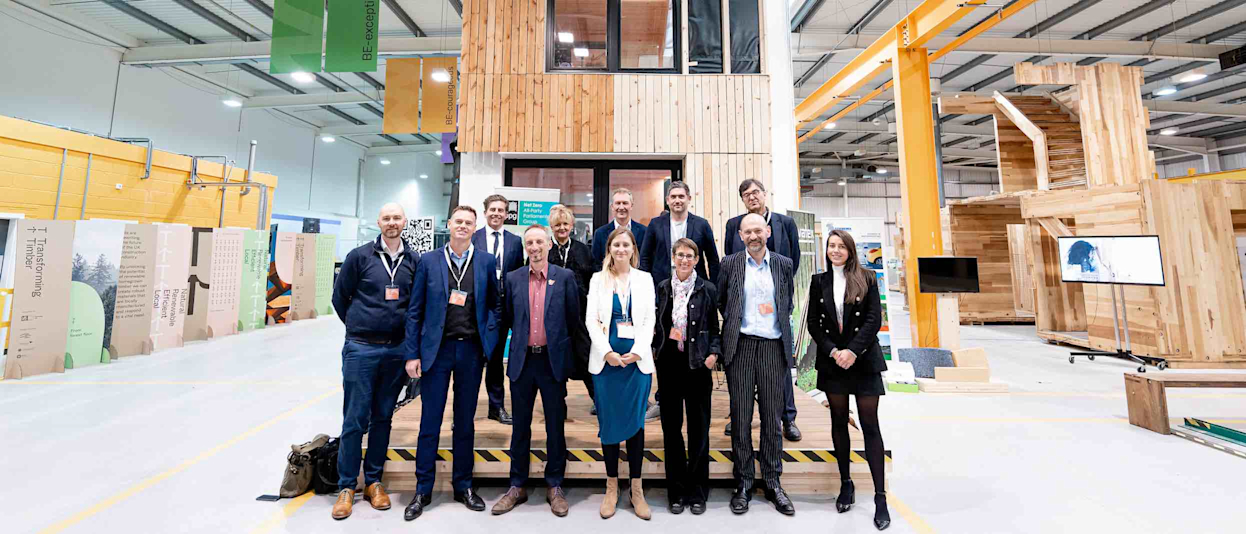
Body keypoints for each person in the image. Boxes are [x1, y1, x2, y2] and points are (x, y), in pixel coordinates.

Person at [402, 205, 502, 521]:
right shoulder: (429, 261)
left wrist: (489, 337)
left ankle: (463, 486)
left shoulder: (486, 261)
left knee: (464, 422)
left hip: (471, 352)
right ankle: (423, 490)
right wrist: (412, 353)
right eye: (458, 221)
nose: (462, 226)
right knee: (429, 422)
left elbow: (496, 306)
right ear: (449, 224)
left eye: (468, 223)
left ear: (475, 228)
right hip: (436, 352)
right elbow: (414, 311)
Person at [491, 224, 588, 518]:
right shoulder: (513, 279)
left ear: (548, 245)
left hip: (551, 363)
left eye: (539, 242)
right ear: (525, 247)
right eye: (529, 242)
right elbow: (505, 320)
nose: (534, 247)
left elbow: (574, 322)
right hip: (522, 363)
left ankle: (555, 485)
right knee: (520, 427)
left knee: (554, 427)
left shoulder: (566, 277)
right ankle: (517, 485)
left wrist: (576, 364)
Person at [329, 203, 419, 520]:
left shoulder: (413, 260)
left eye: (397, 218)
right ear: (378, 222)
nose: (392, 223)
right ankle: (346, 486)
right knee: (355, 419)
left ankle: (374, 482)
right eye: (386, 218)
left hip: (395, 351)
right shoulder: (359, 257)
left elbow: (414, 307)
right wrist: (359, 326)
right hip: (361, 348)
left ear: (404, 222)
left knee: (383, 417)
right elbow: (340, 298)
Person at [808, 230, 890, 531]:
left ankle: (880, 497)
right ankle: (846, 483)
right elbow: (813, 324)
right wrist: (833, 352)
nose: (836, 251)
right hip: (833, 364)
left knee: (870, 426)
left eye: (841, 246)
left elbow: (873, 320)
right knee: (838, 422)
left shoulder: (867, 277)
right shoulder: (819, 281)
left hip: (863, 360)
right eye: (832, 246)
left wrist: (852, 352)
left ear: (851, 250)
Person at [718, 213, 796, 517]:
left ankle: (773, 481)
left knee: (772, 418)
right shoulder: (730, 264)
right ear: (740, 235)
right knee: (740, 417)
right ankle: (744, 482)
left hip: (773, 347)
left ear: (767, 232)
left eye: (758, 230)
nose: (753, 236)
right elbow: (723, 301)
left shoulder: (783, 264)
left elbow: (786, 303)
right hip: (741, 346)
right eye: (747, 231)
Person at [722, 179, 803, 442]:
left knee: (780, 373)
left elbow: (795, 262)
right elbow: (728, 270)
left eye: (755, 192)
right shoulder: (734, 225)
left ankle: (787, 418)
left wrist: (781, 300)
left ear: (765, 194)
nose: (752, 197)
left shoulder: (785, 223)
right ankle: (739, 418)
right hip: (745, 317)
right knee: (742, 383)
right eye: (746, 194)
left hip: (775, 315)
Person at [586, 227, 656, 520]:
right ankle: (612, 486)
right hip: (607, 365)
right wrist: (607, 353)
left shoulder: (645, 279)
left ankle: (636, 489)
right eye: (616, 245)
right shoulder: (597, 279)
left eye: (626, 244)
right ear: (609, 249)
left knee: (636, 425)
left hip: (637, 364)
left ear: (633, 249)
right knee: (610, 424)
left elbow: (650, 318)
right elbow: (590, 320)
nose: (621, 249)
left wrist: (639, 350)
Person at [652, 238, 720, 516]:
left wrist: (714, 353)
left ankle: (698, 491)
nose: (684, 260)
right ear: (673, 257)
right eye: (680, 255)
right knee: (671, 430)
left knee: (699, 429)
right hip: (669, 364)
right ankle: (676, 491)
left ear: (696, 259)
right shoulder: (662, 288)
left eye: (689, 255)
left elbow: (716, 328)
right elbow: (655, 324)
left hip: (698, 365)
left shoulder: (708, 289)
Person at [472, 194, 525, 425]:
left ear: (506, 214)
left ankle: (496, 407)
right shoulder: (473, 238)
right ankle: (465, 410)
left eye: (501, 210)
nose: (496, 213)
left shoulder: (515, 241)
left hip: (503, 309)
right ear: (485, 212)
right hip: (477, 309)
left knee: (495, 361)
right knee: (471, 362)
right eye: (492, 209)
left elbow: (519, 275)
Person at [547, 205, 598, 413]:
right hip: (554, 317)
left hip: (581, 316)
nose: (562, 228)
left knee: (586, 357)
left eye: (565, 224)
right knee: (556, 361)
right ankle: (559, 403)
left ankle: (598, 400)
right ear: (551, 226)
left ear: (571, 225)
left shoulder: (583, 250)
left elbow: (594, 280)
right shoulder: (545, 250)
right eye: (557, 225)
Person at [639, 181, 721, 284]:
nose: (677, 201)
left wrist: (713, 287)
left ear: (689, 199)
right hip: (662, 286)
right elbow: (645, 257)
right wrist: (646, 285)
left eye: (681, 197)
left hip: (696, 287)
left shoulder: (702, 225)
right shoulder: (655, 224)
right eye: (673, 197)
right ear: (667, 200)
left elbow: (713, 259)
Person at [591, 188, 647, 266]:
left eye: (625, 203)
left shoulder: (644, 232)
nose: (621, 207)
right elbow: (596, 263)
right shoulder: (600, 233)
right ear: (612, 207)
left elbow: (646, 260)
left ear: (631, 206)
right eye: (618, 203)